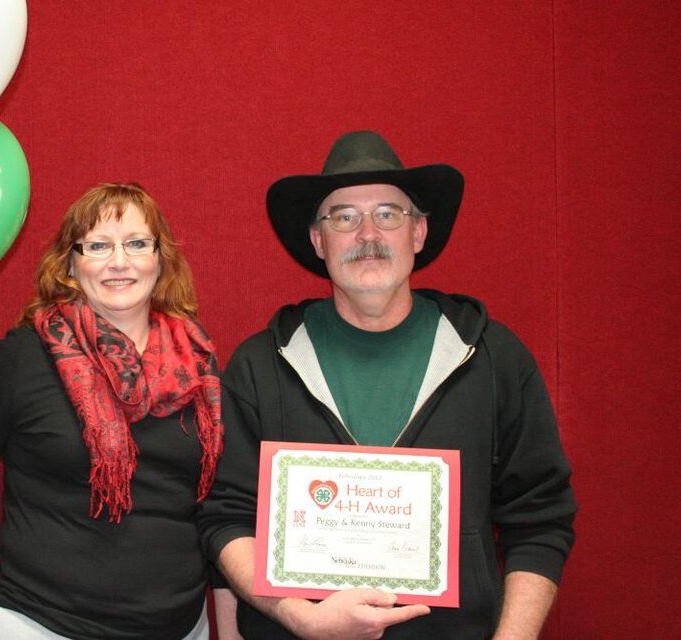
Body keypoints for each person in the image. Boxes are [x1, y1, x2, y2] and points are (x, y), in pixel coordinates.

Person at [197, 132, 577, 639]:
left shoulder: (492, 359)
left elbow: (541, 517)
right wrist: (301, 617)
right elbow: (226, 518)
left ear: (418, 232)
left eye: (388, 214)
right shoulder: (259, 366)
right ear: (318, 240)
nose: (367, 234)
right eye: (344, 217)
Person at [0, 183, 225, 639]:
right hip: (37, 625)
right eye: (98, 245)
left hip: (180, 628)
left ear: (161, 258)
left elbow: (217, 503)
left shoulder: (198, 362)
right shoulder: (21, 359)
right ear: (71, 263)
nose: (120, 261)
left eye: (137, 243)